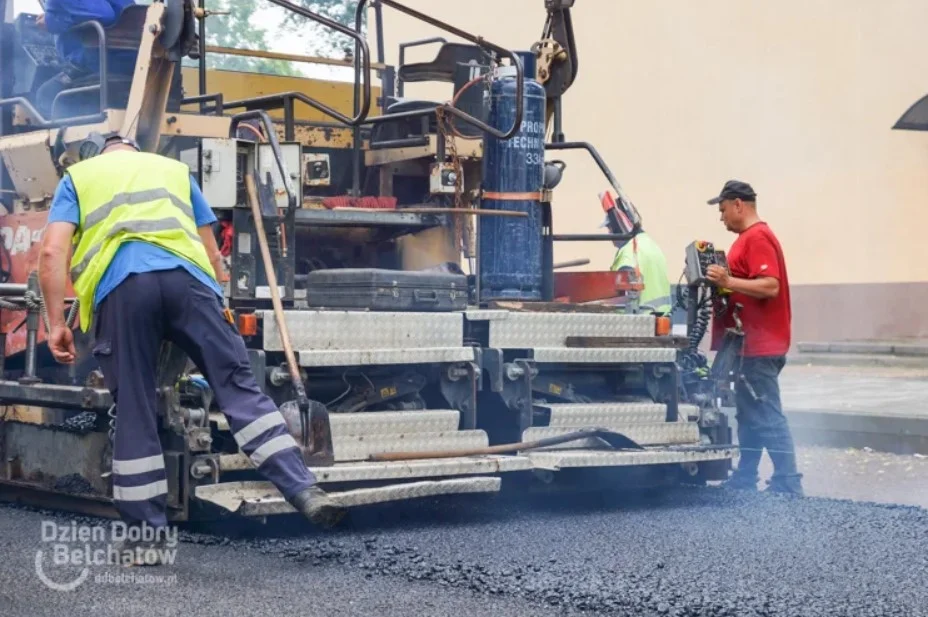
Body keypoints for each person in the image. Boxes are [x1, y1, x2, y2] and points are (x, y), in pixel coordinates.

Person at [38, 134, 345, 563]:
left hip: (124, 290)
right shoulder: (174, 172)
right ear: (134, 149)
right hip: (192, 288)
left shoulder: (79, 176)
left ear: (101, 152)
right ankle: (304, 489)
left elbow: (52, 252)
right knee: (239, 388)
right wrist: (215, 309)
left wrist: (56, 324)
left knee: (136, 408)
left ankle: (147, 541)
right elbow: (211, 250)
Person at [704, 179, 803, 496]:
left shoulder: (757, 237)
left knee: (766, 413)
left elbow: (770, 286)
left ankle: (788, 482)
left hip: (761, 346)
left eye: (722, 211)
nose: (721, 218)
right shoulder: (746, 240)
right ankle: (746, 477)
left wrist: (728, 280)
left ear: (737, 204)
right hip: (748, 345)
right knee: (749, 414)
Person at [34, 1, 139, 119]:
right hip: (129, 62)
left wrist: (51, 21)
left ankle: (68, 135)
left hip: (99, 62)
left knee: (46, 95)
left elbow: (105, 14)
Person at [609, 228, 672, 315]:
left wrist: (601, 305)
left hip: (642, 319)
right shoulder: (651, 244)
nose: (609, 234)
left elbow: (629, 294)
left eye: (610, 229)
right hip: (663, 318)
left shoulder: (630, 251)